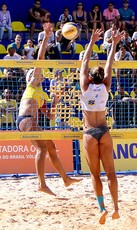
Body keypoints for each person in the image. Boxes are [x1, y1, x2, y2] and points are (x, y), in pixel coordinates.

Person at [16, 22, 80, 196]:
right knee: (42, 149)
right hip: (25, 120)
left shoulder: (42, 94)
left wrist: (56, 101)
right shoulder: (33, 83)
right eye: (35, 73)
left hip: (31, 120)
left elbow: (51, 117)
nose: (38, 73)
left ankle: (66, 179)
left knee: (51, 147)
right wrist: (45, 36)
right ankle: (41, 184)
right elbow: (40, 58)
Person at [79, 28, 123, 224]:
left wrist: (92, 41)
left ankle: (102, 208)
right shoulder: (106, 87)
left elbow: (84, 62)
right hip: (104, 131)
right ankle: (116, 208)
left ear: (89, 77)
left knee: (95, 175)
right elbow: (109, 64)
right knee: (111, 174)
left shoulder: (85, 87)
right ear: (102, 77)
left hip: (89, 132)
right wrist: (113, 44)